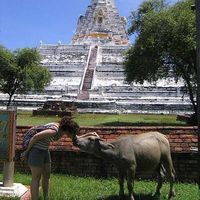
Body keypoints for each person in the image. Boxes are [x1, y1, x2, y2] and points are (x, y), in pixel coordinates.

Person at [20, 116, 79, 200]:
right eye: (73, 132)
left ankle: (46, 197)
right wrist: (26, 151)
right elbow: (35, 137)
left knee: (47, 175)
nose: (73, 134)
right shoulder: (53, 131)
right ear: (67, 130)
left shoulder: (60, 130)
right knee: (36, 177)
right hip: (35, 150)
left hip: (44, 149)